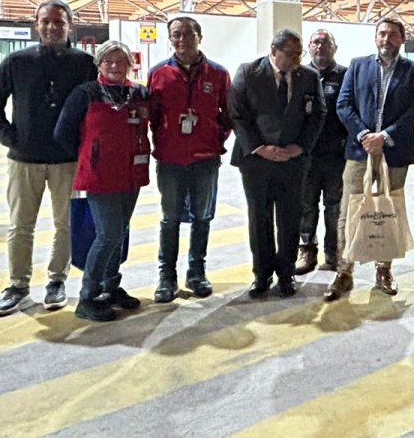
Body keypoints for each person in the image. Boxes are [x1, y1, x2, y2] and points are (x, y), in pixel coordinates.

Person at [0, 0, 98, 317]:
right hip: (24, 159)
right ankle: (18, 285)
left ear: (69, 26)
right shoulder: (17, 61)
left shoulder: (83, 64)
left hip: (67, 160)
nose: (52, 27)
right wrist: (9, 137)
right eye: (46, 21)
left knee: (65, 224)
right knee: (21, 225)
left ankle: (56, 281)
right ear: (36, 24)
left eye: (59, 22)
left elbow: (96, 110)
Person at [327, 18, 414, 301]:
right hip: (359, 152)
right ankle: (343, 272)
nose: (386, 39)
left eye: (393, 35)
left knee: (387, 211)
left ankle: (384, 269)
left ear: (402, 39)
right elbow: (343, 104)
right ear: (375, 38)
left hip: (395, 153)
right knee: (349, 211)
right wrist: (363, 135)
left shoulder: (413, 71)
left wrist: (385, 136)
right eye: (382, 34)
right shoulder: (358, 66)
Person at [54, 41, 151, 322]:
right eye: (108, 61)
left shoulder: (138, 94)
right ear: (99, 64)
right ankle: (88, 296)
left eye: (121, 61)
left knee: (119, 233)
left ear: (130, 65)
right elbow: (63, 133)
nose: (114, 66)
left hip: (131, 174)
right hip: (100, 177)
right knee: (107, 235)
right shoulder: (86, 93)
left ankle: (112, 286)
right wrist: (90, 155)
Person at [228, 30, 325, 299]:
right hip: (257, 160)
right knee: (259, 217)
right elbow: (237, 113)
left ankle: (286, 273)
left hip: (292, 161)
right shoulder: (248, 72)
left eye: (298, 54)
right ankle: (262, 274)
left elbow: (318, 115)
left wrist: (300, 147)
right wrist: (260, 148)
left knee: (290, 218)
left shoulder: (309, 77)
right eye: (290, 54)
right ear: (274, 50)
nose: (296, 60)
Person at [147, 17, 232, 303]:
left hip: (205, 160)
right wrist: (164, 140)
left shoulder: (218, 74)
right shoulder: (158, 73)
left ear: (200, 36)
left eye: (187, 34)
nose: (181, 40)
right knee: (170, 219)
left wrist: (215, 139)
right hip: (170, 160)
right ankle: (166, 277)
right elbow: (153, 116)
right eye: (175, 35)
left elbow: (228, 113)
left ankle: (196, 273)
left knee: (202, 218)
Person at [297, 29, 348, 274]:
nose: (320, 47)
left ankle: (334, 251)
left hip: (335, 156)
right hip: (306, 156)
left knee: (335, 207)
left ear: (334, 48)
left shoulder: (346, 76)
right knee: (306, 206)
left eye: (325, 43)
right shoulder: (300, 75)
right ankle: (306, 250)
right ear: (309, 46)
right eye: (316, 43)